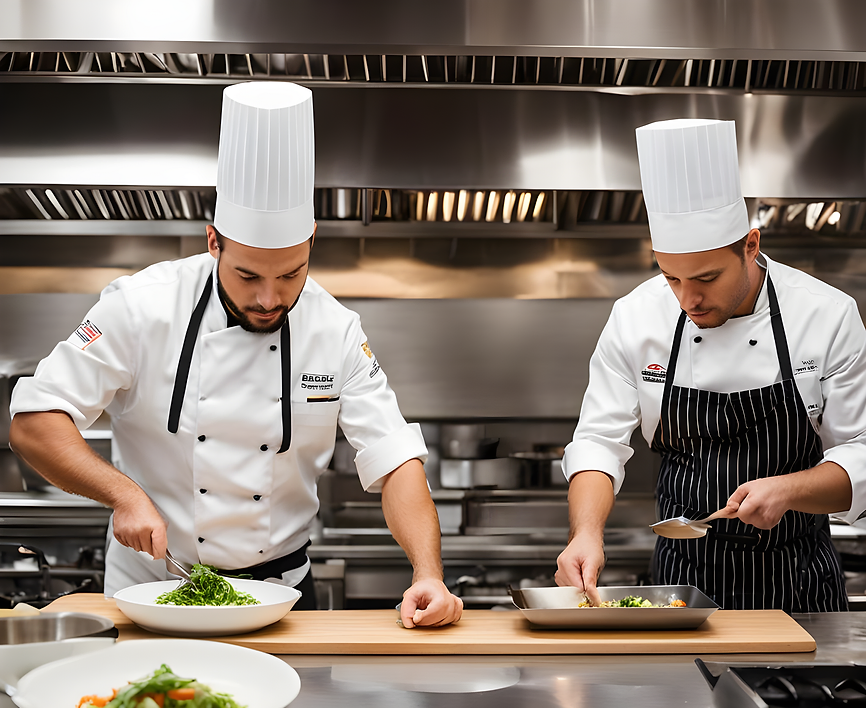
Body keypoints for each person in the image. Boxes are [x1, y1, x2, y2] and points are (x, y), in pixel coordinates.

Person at [9, 81, 462, 628]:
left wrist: (428, 572)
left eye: (291, 274)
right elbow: (34, 423)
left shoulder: (335, 330)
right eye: (248, 275)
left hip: (283, 598)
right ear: (213, 242)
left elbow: (396, 461)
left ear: (312, 241)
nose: (269, 298)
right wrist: (122, 494)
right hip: (154, 592)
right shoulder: (141, 307)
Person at [556, 118, 866, 612]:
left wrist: (791, 489)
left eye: (706, 277)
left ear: (750, 246)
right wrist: (585, 533)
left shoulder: (825, 315)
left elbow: (860, 451)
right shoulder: (636, 317)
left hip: (800, 589)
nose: (688, 299)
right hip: (682, 590)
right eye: (671, 277)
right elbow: (598, 442)